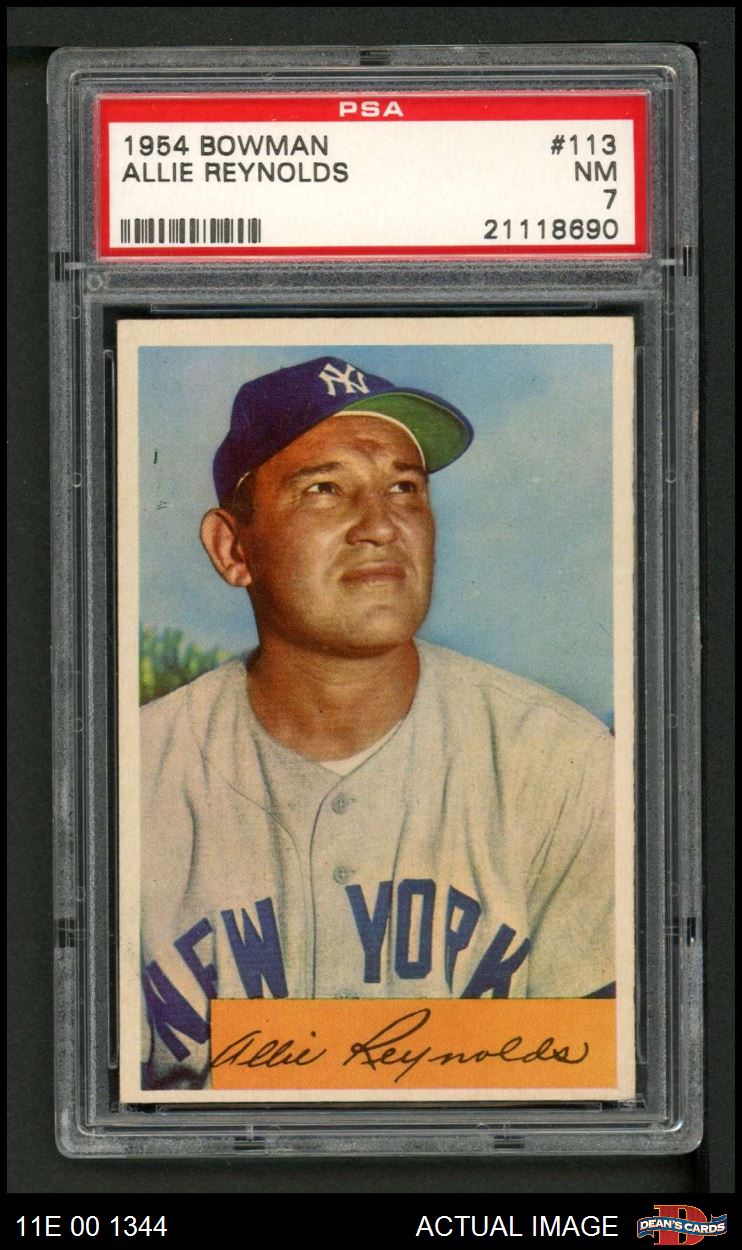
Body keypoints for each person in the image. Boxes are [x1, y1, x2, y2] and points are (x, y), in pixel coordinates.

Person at [139, 355, 615, 1090]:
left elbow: (594, 1092)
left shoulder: (562, 763)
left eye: (404, 489)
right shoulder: (128, 780)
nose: (381, 526)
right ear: (234, 549)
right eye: (324, 489)